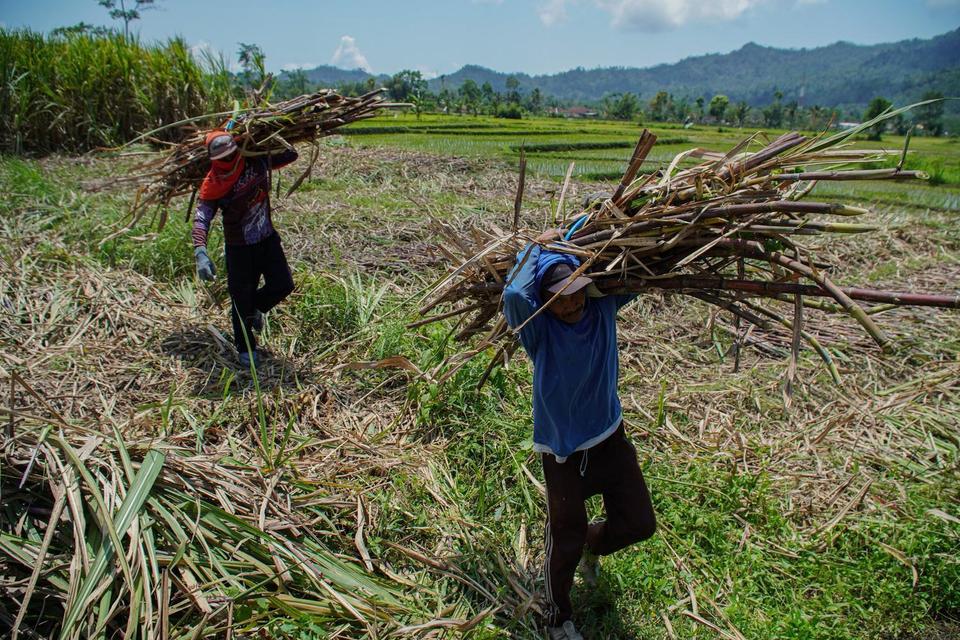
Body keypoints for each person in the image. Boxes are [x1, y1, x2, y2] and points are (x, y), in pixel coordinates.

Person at [502, 229, 657, 640]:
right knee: (563, 537)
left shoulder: (603, 309)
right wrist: (538, 246)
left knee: (639, 523)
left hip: (610, 437)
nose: (571, 303)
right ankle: (558, 618)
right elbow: (515, 295)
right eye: (559, 295)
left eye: (577, 291)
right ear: (545, 299)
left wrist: (577, 233)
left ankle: (594, 544)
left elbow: (638, 267)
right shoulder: (540, 331)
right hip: (563, 452)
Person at [192, 130, 298, 368]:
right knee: (240, 299)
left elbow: (291, 154)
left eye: (232, 155)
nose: (229, 163)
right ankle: (246, 348)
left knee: (283, 285)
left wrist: (277, 133)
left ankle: (257, 308)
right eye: (223, 159)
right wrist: (200, 251)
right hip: (239, 249)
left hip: (267, 240)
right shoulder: (213, 184)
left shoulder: (256, 162)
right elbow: (201, 218)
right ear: (213, 161)